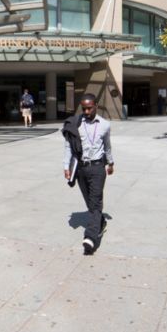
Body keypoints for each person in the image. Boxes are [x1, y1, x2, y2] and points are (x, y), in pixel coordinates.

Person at [69, 94, 116, 251]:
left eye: (89, 108)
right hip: (81, 169)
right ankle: (100, 222)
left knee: (95, 202)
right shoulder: (76, 124)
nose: (87, 111)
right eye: (84, 109)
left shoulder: (105, 125)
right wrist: (66, 166)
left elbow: (107, 146)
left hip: (97, 168)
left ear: (96, 105)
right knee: (90, 203)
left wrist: (110, 162)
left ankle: (90, 237)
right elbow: (68, 147)